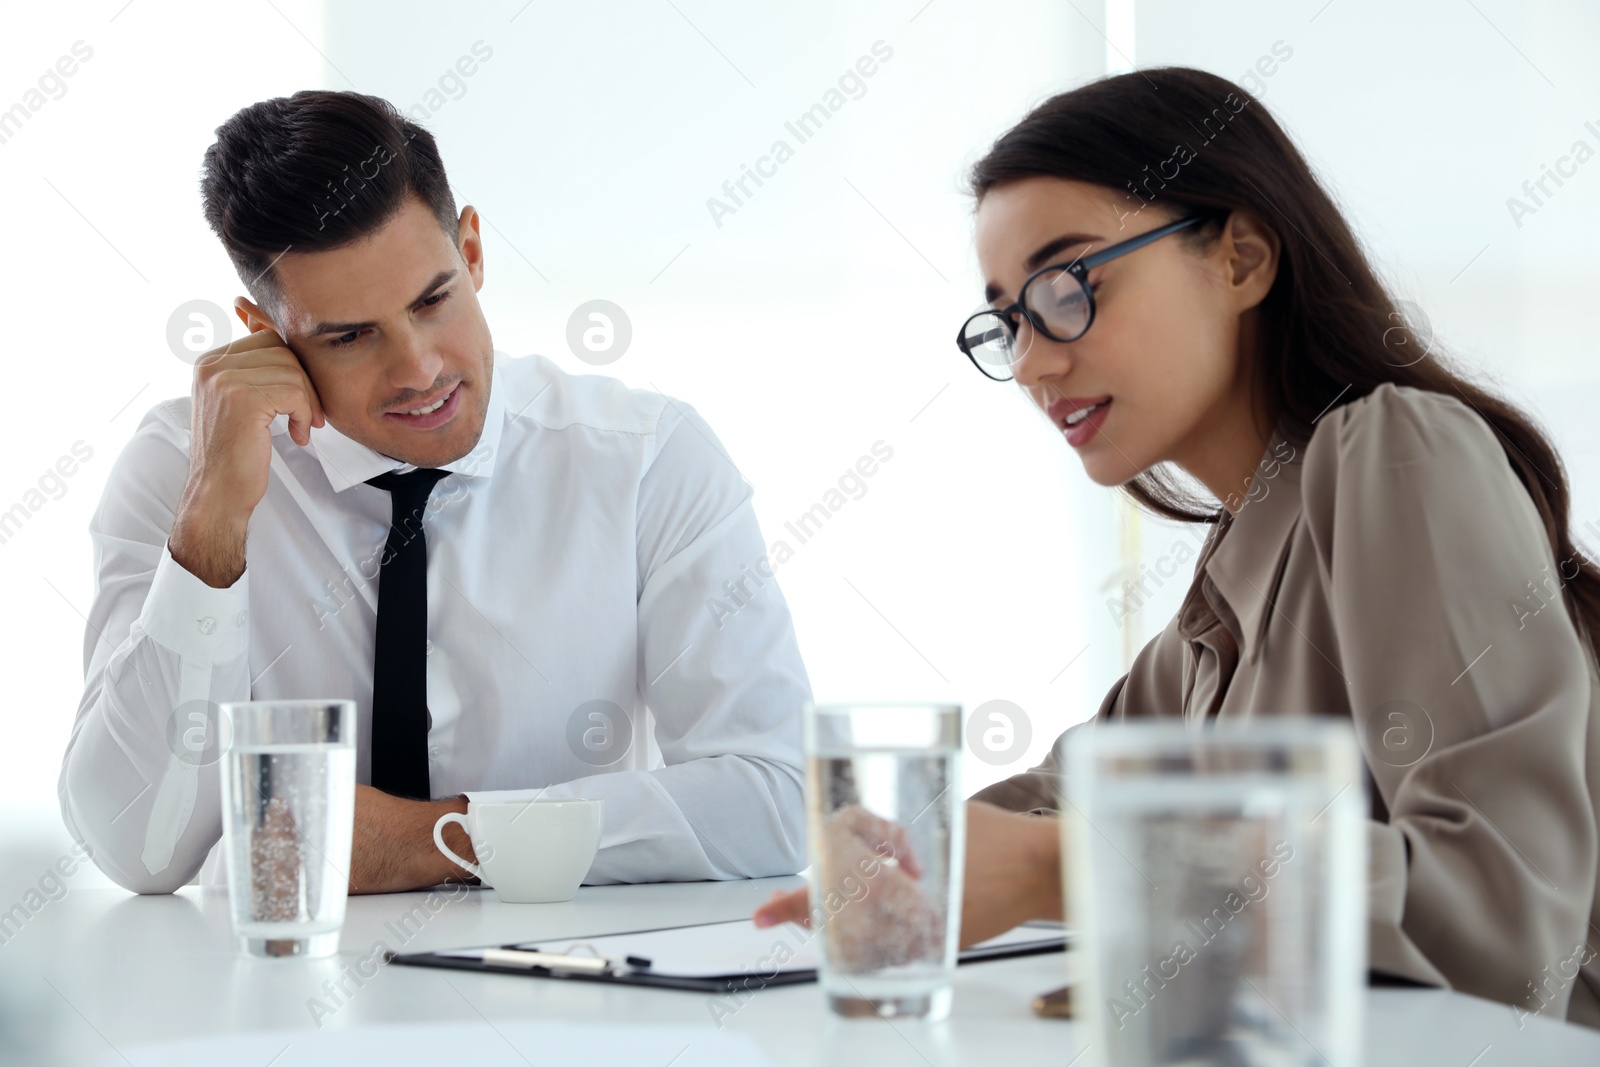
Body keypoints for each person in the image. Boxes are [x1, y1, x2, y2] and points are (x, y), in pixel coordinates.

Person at [755, 66, 1600, 1029]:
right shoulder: (1224, 597)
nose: (1032, 360)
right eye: (1009, 319)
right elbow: (1063, 795)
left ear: (1241, 258)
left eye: (1068, 285)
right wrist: (903, 843)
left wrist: (1064, 864)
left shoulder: (1401, 452)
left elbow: (1502, 913)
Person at [59, 90, 811, 895]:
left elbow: (777, 798)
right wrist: (210, 533)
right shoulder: (182, 467)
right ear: (263, 331)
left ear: (474, 249)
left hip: (560, 996)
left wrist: (435, 840)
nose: (419, 369)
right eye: (349, 336)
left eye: (432, 299)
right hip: (272, 997)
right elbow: (139, 850)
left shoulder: (645, 460)